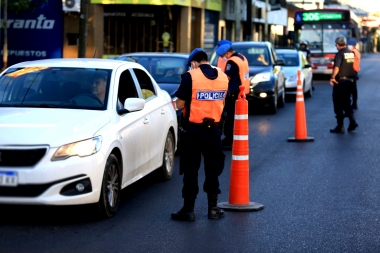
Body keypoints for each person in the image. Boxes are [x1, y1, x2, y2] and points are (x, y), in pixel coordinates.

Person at [171, 48, 228, 221]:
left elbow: (179, 105)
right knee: (212, 170)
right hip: (214, 131)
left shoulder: (191, 76)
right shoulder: (223, 77)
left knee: (191, 170)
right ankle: (213, 209)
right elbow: (223, 102)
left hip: (193, 132)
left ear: (194, 62)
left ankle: (188, 210)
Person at [215, 40, 250, 150]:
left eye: (222, 56)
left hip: (234, 93)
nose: (223, 58)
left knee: (229, 117)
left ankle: (229, 139)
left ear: (227, 53)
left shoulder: (232, 62)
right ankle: (233, 138)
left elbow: (227, 78)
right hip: (243, 92)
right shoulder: (241, 57)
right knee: (237, 117)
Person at [329, 36, 358, 133]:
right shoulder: (350, 53)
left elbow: (337, 67)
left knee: (337, 103)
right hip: (350, 81)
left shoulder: (339, 54)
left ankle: (340, 126)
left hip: (340, 82)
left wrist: (333, 77)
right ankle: (352, 121)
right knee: (346, 102)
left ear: (337, 45)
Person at [347, 39, 361, 109]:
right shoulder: (357, 51)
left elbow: (348, 61)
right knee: (354, 89)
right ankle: (354, 103)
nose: (348, 46)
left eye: (349, 45)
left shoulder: (353, 52)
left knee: (351, 88)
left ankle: (353, 104)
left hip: (352, 71)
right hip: (355, 71)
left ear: (352, 45)